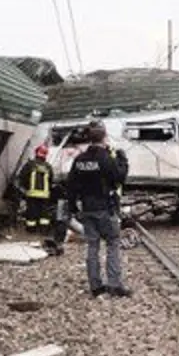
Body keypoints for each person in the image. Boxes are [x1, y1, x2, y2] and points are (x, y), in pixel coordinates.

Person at [66, 122, 131, 297]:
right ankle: (114, 284)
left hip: (86, 209)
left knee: (92, 246)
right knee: (112, 243)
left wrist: (72, 207)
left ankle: (95, 286)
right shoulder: (104, 158)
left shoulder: (79, 160)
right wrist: (122, 158)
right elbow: (119, 177)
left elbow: (70, 185)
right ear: (104, 138)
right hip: (104, 207)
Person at [16, 144, 54, 232]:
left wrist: (25, 188)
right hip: (45, 195)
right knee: (44, 214)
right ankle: (43, 231)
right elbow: (51, 180)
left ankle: (31, 231)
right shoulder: (48, 166)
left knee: (31, 214)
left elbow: (22, 177)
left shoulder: (30, 165)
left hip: (32, 194)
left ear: (36, 153)